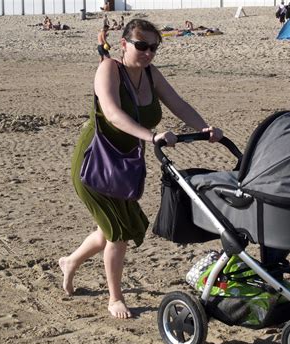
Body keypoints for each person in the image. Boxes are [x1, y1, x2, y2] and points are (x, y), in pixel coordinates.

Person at [59, 18, 223, 319]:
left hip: (126, 164)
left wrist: (205, 128)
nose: (148, 52)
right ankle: (114, 298)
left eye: (153, 47)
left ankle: (70, 262)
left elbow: (178, 103)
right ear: (124, 44)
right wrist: (153, 136)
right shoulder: (109, 68)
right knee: (116, 234)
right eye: (141, 46)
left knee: (112, 227)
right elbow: (111, 113)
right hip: (96, 162)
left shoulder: (151, 74)